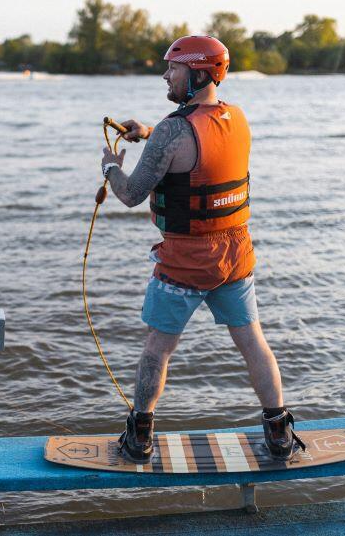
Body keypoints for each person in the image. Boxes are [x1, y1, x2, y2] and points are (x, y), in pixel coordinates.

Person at [100, 35, 304, 464]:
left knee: (158, 347)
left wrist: (110, 167)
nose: (164, 76)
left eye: (172, 69)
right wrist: (150, 134)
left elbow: (133, 193)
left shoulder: (173, 130)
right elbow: (200, 144)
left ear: (196, 74)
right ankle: (279, 430)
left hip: (186, 261)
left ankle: (139, 435)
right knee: (252, 341)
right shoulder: (238, 118)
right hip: (235, 257)